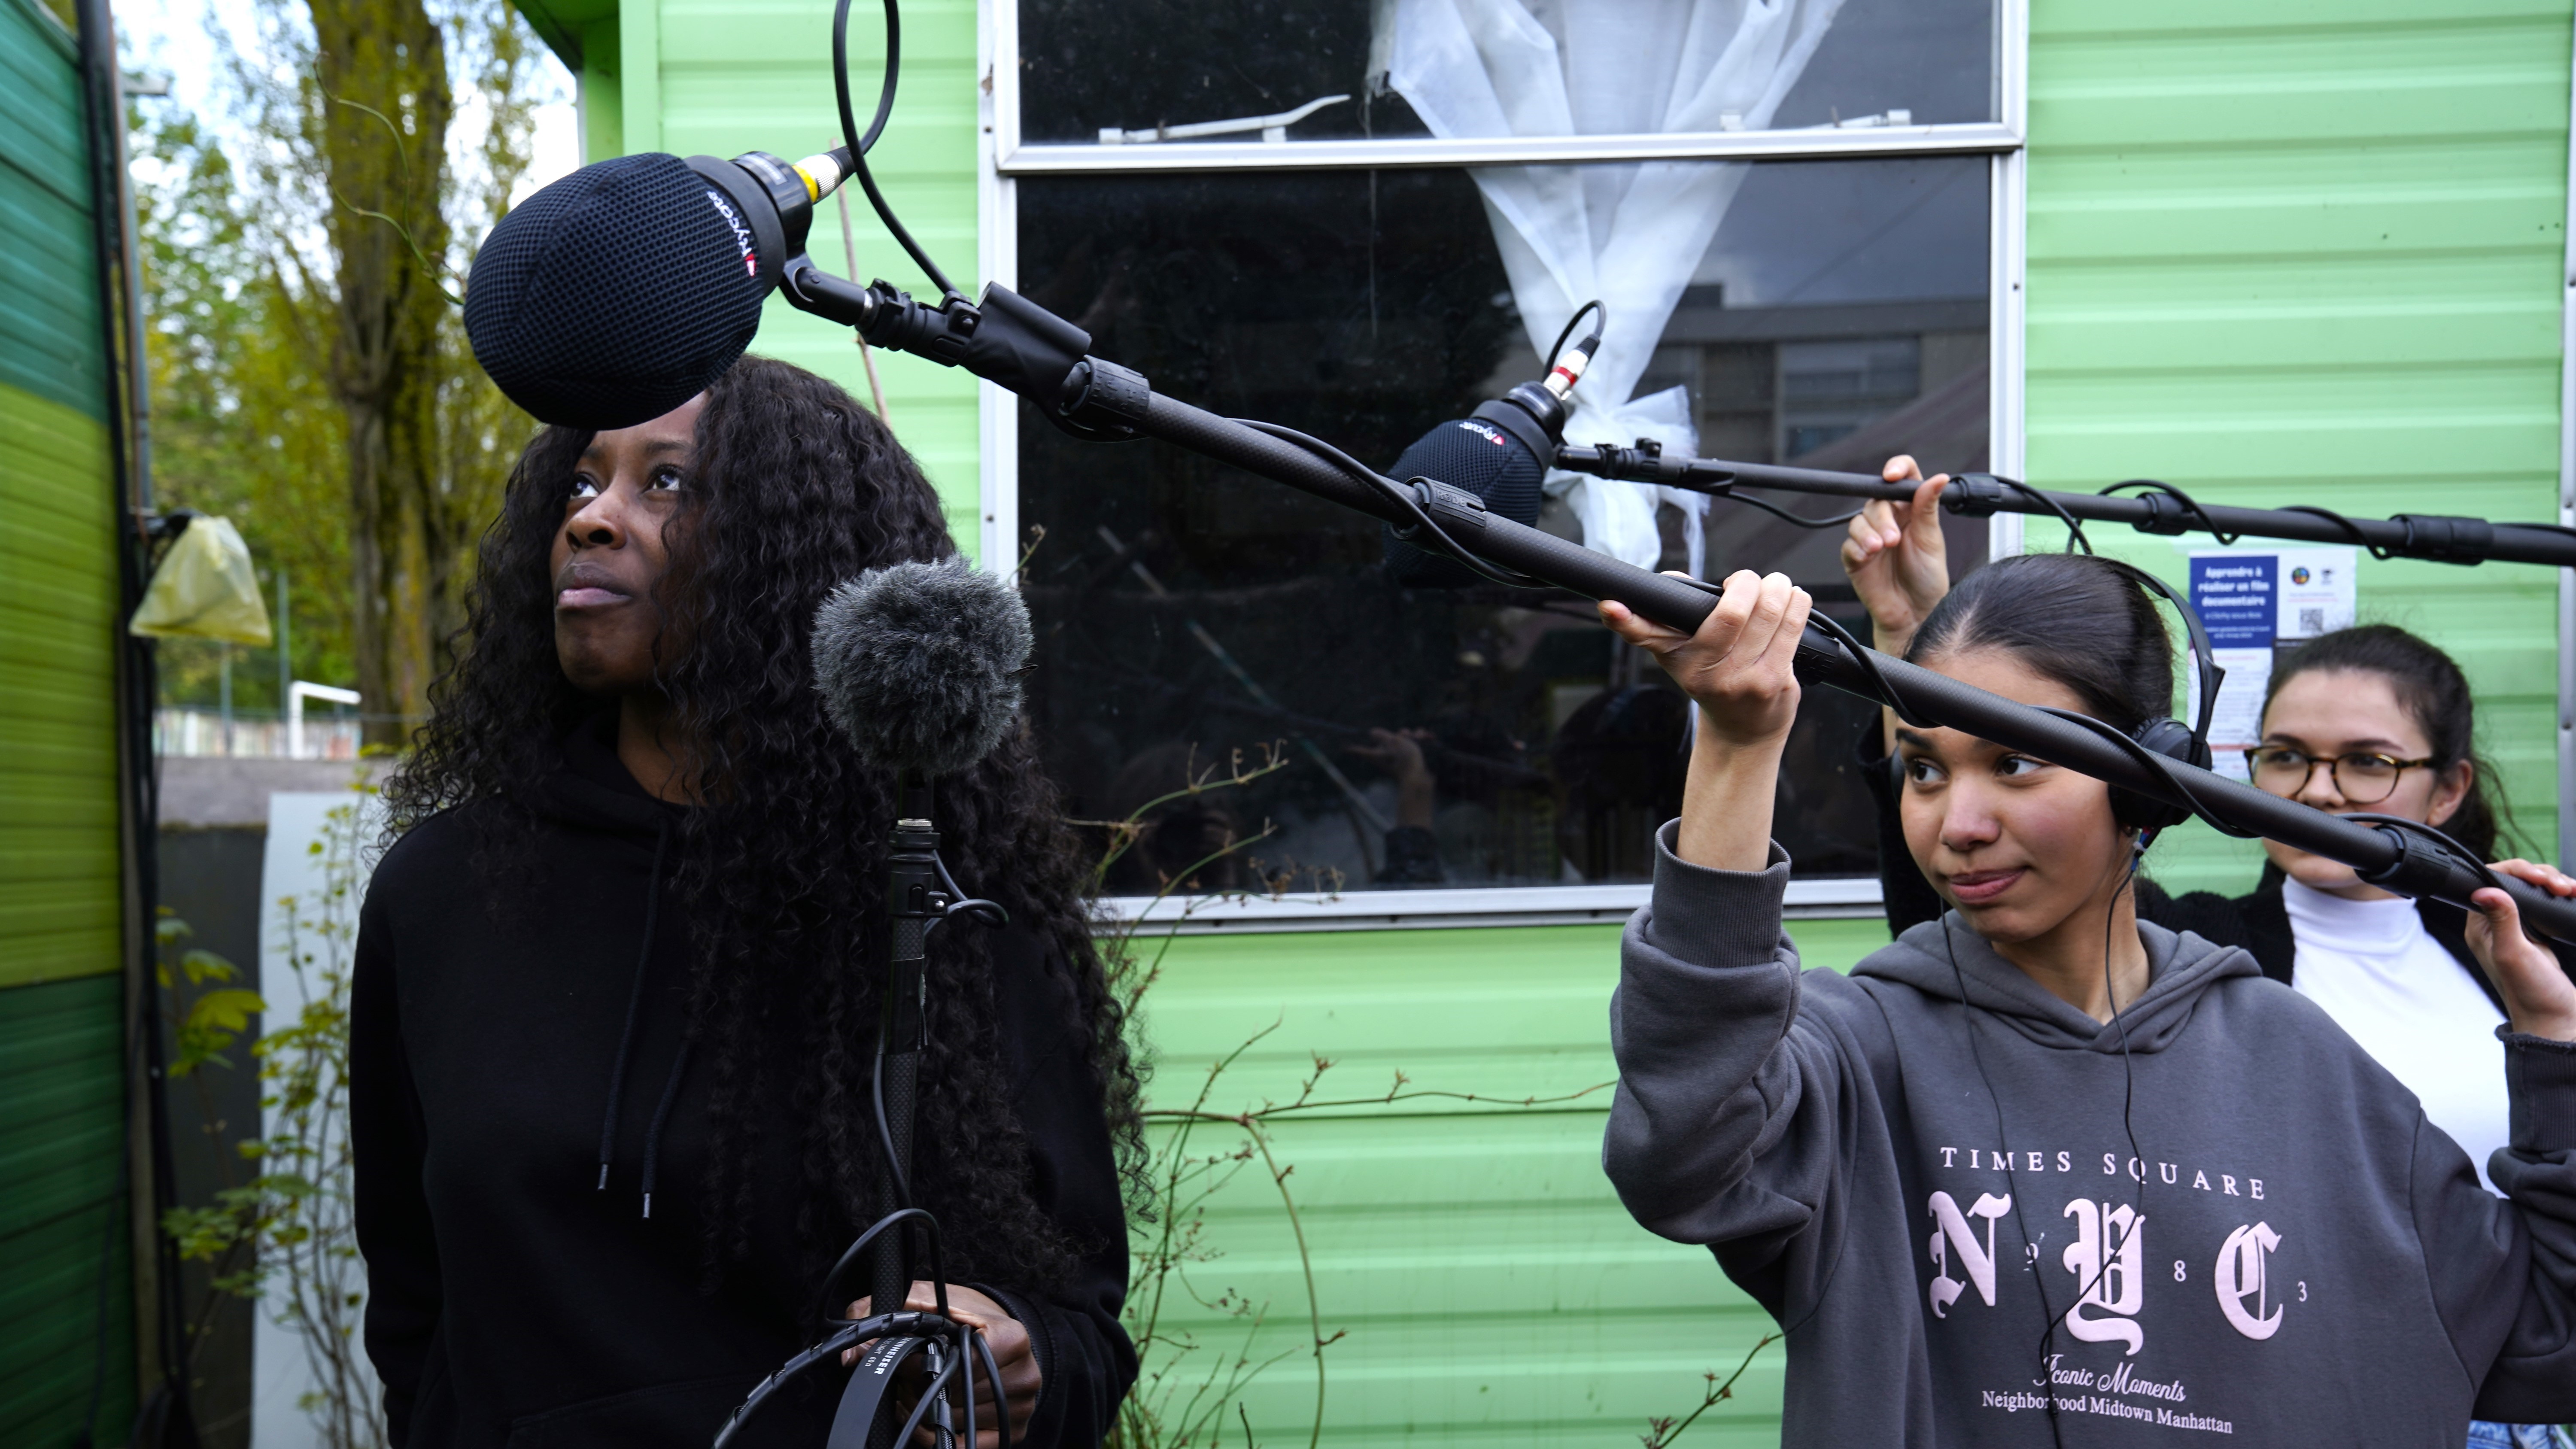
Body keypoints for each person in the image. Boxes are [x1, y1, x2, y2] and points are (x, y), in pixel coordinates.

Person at [1595, 554, 2576, 1443]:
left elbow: (2549, 1339)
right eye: (1927, 768)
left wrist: (2554, 1037)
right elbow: (1682, 1148)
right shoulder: (1859, 1050)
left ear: (2145, 783)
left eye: (2015, 762)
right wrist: (1736, 744)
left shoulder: (2301, 1060)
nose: (1960, 823)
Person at [355, 355, 1141, 1448]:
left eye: (666, 483)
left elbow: (1083, 1332)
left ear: (794, 549)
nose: (594, 521)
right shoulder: (440, 888)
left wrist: (1019, 1358)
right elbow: (412, 1297)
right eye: (579, 486)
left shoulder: (939, 896)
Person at [1844, 460, 2576, 1198]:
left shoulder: (2531, 962)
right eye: (2285, 757)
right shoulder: (2193, 950)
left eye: (2367, 763)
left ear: (2448, 790)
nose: (2318, 790)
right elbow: (1958, 920)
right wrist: (1910, 648)